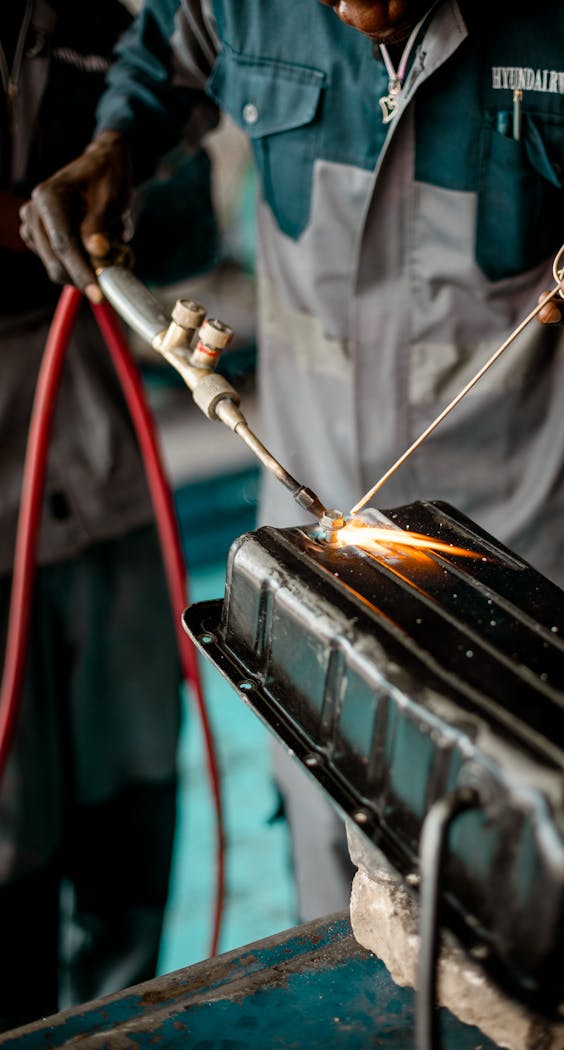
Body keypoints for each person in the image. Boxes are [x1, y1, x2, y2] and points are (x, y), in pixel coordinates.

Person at [19, 0, 564, 926]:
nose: (356, 7)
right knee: (331, 873)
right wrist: (116, 147)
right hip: (313, 523)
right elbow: (157, 58)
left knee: (530, 881)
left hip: (527, 539)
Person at [0, 0, 217, 1030]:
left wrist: (117, 200)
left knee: (133, 818)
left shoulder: (99, 24)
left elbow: (194, 218)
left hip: (102, 471)